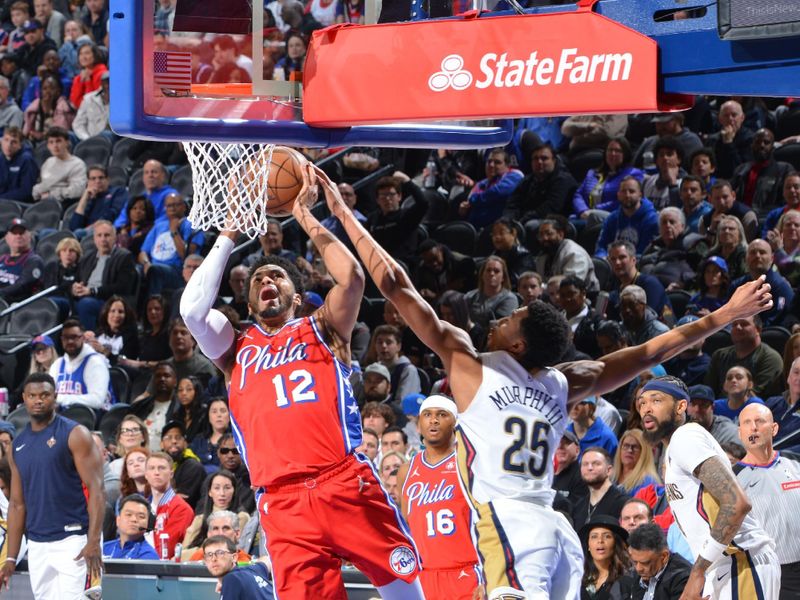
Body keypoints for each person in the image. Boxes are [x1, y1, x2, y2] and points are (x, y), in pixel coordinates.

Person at [330, 158, 774, 599]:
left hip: (506, 523)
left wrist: (342, 213)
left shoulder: (472, 368)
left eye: (512, 319)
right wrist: (724, 314)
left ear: (519, 345)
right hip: (554, 528)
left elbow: (395, 284)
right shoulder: (564, 383)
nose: (501, 320)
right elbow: (650, 351)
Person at [179, 164, 424, 597]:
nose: (266, 281)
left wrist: (304, 215)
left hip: (343, 479)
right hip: (281, 500)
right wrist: (232, 231)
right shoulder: (236, 349)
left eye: (277, 277)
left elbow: (351, 279)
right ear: (251, 303)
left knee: (401, 583)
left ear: (297, 294)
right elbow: (193, 311)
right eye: (257, 279)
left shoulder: (323, 327)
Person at [636, 375, 780, 599]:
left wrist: (698, 571)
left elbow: (737, 503)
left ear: (681, 406)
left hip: (741, 562)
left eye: (656, 400)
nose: (646, 408)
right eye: (642, 403)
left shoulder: (686, 437)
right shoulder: (674, 449)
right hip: (725, 566)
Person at [0, 372, 104, 598]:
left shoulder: (75, 433)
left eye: (44, 395)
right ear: (24, 399)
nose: (38, 400)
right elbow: (17, 504)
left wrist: (94, 541)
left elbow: (97, 490)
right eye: (32, 395)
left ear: (55, 396)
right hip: (38, 543)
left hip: (73, 540)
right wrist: (10, 556)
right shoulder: (17, 444)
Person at [395, 395, 481, 599]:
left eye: (442, 415)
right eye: (427, 415)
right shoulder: (406, 471)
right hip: (422, 575)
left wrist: (487, 576)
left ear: (455, 424)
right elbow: (406, 526)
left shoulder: (470, 465)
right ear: (418, 425)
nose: (433, 420)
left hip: (466, 572)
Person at [734, 402, 800, 599]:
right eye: (747, 423)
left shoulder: (795, 463)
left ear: (774, 429)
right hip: (772, 572)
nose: (753, 427)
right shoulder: (732, 479)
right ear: (740, 432)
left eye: (759, 421)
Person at [705, 314, 783, 399]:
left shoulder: (770, 358)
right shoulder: (719, 355)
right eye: (734, 324)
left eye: (744, 324)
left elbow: (755, 396)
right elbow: (709, 391)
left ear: (758, 330)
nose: (738, 327)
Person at [572, 136, 644, 227]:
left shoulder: (633, 174)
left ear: (625, 154)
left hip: (612, 217)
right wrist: (582, 210)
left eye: (618, 151)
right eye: (610, 150)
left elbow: (623, 199)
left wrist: (594, 210)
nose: (613, 154)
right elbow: (578, 194)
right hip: (584, 215)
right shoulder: (592, 173)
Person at [49, 318, 111, 410]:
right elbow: (49, 396)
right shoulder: (57, 364)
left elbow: (97, 401)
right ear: (61, 339)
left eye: (74, 337)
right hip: (64, 419)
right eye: (66, 337)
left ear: (82, 338)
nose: (70, 341)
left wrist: (60, 398)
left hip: (93, 419)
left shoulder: (95, 363)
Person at [144, 451, 193, 560]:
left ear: (171, 473)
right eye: (152, 468)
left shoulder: (181, 509)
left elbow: (166, 550)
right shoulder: (142, 506)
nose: (156, 472)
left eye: (161, 468)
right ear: (146, 474)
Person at [627, 523, 692, 600]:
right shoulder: (637, 573)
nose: (638, 568)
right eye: (635, 562)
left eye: (645, 563)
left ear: (664, 556)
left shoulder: (684, 578)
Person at [572, 447, 629, 532]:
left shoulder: (623, 503)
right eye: (585, 464)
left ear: (609, 470)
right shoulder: (579, 506)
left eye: (596, 463)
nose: (589, 468)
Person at [578, 515, 633, 600]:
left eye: (607, 536)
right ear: (588, 545)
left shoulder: (627, 581)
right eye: (594, 536)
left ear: (615, 543)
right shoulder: (579, 579)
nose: (600, 540)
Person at [202, 535, 274, 598]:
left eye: (220, 553)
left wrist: (228, 582)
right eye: (209, 555)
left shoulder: (231, 579)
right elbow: (268, 559)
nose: (213, 559)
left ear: (234, 557)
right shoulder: (251, 570)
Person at [69, 165, 128, 234]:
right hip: (85, 235)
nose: (97, 181)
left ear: (108, 180)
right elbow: (74, 227)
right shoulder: (89, 197)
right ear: (88, 182)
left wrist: (90, 228)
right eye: (93, 178)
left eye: (101, 178)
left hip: (105, 231)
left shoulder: (118, 192)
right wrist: (84, 199)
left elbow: (113, 214)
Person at [102, 494, 159, 560]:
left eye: (141, 516)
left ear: (147, 524)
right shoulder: (103, 549)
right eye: (129, 514)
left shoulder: (149, 556)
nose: (134, 519)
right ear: (118, 520)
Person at [0, 217, 44, 303]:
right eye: (14, 233)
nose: (18, 236)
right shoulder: (2, 259)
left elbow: (23, 285)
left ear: (29, 236)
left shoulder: (34, 261)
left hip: (15, 306)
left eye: (22, 232)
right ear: (6, 238)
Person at [686, 384, 743, 449]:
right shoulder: (681, 427)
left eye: (703, 405)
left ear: (712, 407)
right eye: (692, 404)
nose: (697, 410)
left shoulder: (728, 432)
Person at [612, 428, 660, 496]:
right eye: (626, 446)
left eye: (635, 447)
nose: (629, 450)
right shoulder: (611, 476)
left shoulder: (648, 482)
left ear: (643, 452)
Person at [0, 125, 37, 201]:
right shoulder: (1, 158)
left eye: (14, 142)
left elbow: (26, 192)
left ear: (20, 145)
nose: (8, 145)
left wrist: (1, 199)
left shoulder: (27, 160)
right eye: (6, 140)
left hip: (19, 205)